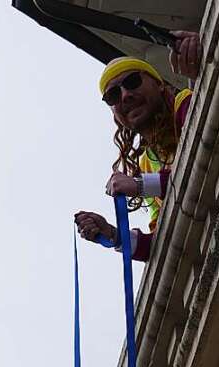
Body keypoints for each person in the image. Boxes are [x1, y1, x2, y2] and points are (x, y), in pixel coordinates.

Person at [75, 32, 201, 261]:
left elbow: (199, 167)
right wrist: (114, 235)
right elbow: (160, 242)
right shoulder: (147, 163)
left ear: (159, 84)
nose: (125, 95)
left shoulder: (184, 104)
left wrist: (140, 185)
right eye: (113, 95)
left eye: (132, 82)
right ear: (114, 114)